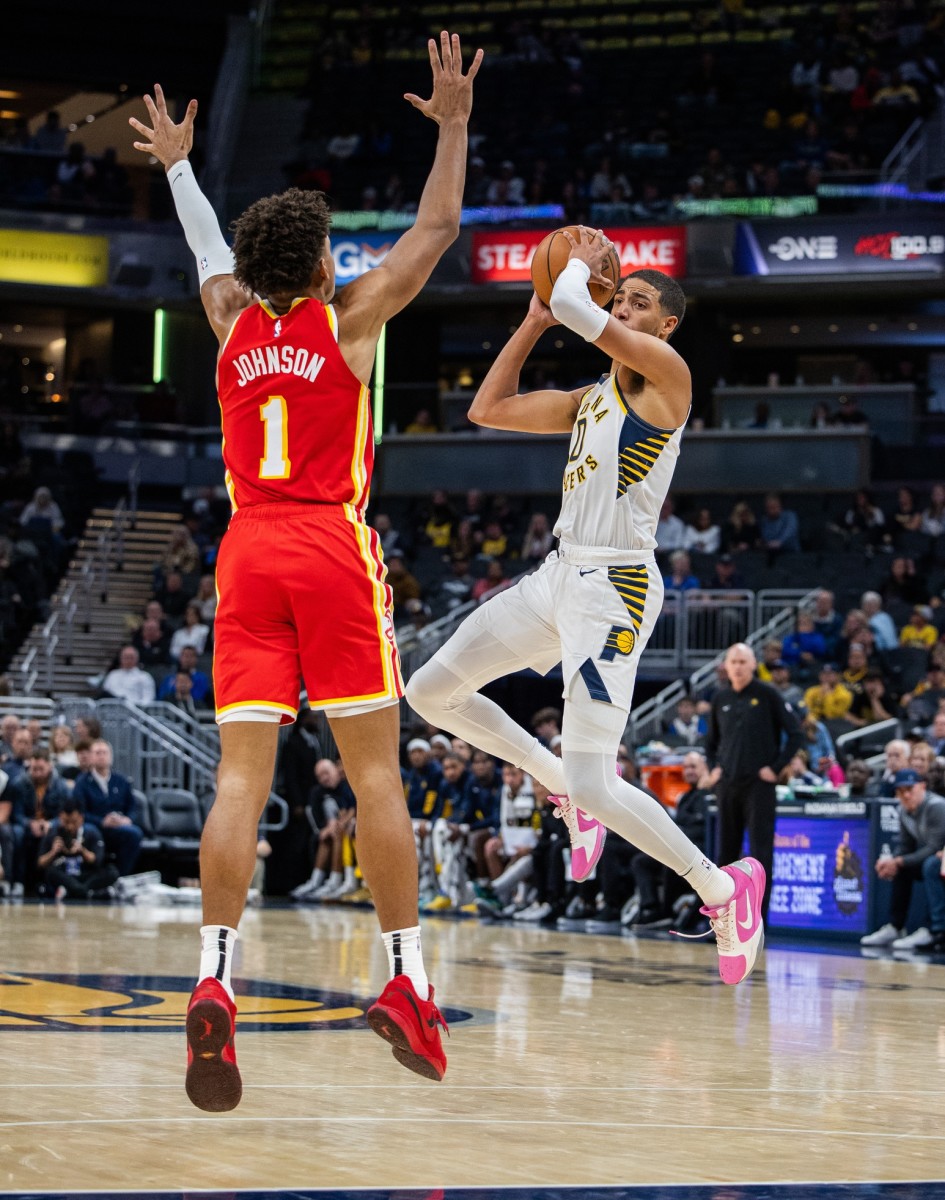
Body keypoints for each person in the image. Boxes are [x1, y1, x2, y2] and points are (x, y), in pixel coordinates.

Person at [129, 40, 482, 1105]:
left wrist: (183, 169)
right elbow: (438, 229)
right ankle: (406, 979)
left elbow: (203, 251)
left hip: (246, 555)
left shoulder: (231, 323)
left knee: (240, 776)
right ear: (324, 265)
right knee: (376, 773)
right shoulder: (350, 319)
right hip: (330, 543)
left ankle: (214, 978)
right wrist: (455, 124)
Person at [407, 239, 767, 987]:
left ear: (663, 327)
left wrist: (577, 267)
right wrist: (535, 322)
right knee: (427, 692)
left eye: (637, 302)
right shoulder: (586, 399)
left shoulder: (667, 377)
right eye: (619, 295)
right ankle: (559, 787)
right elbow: (488, 408)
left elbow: (579, 302)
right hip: (557, 575)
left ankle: (724, 888)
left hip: (615, 588)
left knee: (600, 781)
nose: (622, 306)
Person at [705, 642, 804, 918]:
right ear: (726, 666)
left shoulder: (767, 694)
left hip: (759, 786)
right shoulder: (720, 698)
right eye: (733, 662)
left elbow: (796, 734)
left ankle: (760, 919)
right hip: (728, 785)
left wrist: (776, 767)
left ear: (753, 665)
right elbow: (710, 743)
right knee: (726, 851)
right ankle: (725, 915)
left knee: (760, 853)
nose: (737, 667)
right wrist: (714, 768)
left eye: (742, 662)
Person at [860, 769, 945, 951]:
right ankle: (895, 926)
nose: (906, 795)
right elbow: (906, 846)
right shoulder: (903, 811)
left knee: (931, 866)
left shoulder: (937, 806)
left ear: (922, 786)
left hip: (941, 859)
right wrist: (892, 861)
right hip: (935, 858)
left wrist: (899, 861)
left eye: (910, 789)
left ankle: (934, 930)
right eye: (900, 791)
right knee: (902, 868)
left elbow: (934, 847)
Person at [72, 738, 142, 877]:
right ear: (91, 757)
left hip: (119, 826)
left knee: (134, 833)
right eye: (97, 753)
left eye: (104, 752)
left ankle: (121, 876)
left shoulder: (122, 781)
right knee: (89, 831)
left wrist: (127, 820)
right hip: (94, 825)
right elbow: (79, 812)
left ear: (110, 756)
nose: (101, 756)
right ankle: (92, 877)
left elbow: (133, 808)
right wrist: (102, 821)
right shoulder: (82, 782)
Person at [36, 799, 119, 901]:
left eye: (73, 822)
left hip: (85, 874)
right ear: (60, 818)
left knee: (112, 871)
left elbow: (98, 860)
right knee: (51, 872)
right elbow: (40, 863)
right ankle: (89, 893)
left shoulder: (92, 832)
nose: (70, 827)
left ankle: (73, 892)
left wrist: (82, 851)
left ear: (81, 818)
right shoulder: (52, 833)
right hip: (65, 876)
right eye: (66, 822)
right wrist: (53, 852)